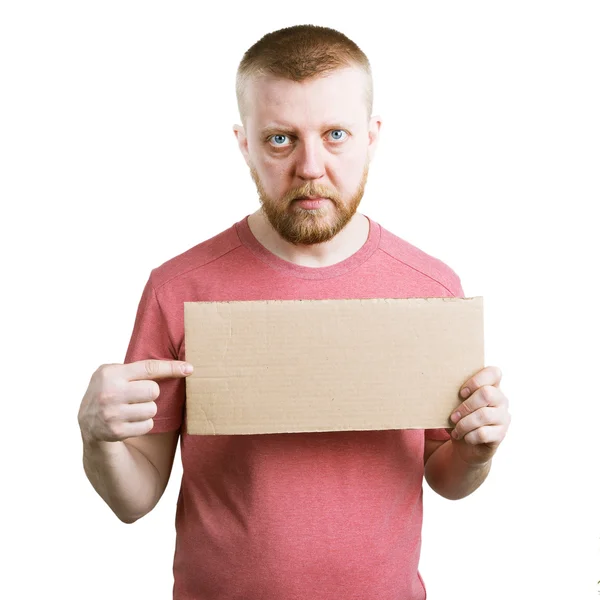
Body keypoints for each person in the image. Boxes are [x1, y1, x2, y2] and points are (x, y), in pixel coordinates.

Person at [78, 24, 511, 600]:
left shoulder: (428, 287)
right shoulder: (179, 287)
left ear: (371, 136)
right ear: (245, 142)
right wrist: (96, 438)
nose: (310, 166)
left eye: (335, 134)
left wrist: (478, 450)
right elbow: (135, 500)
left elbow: (445, 475)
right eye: (281, 139)